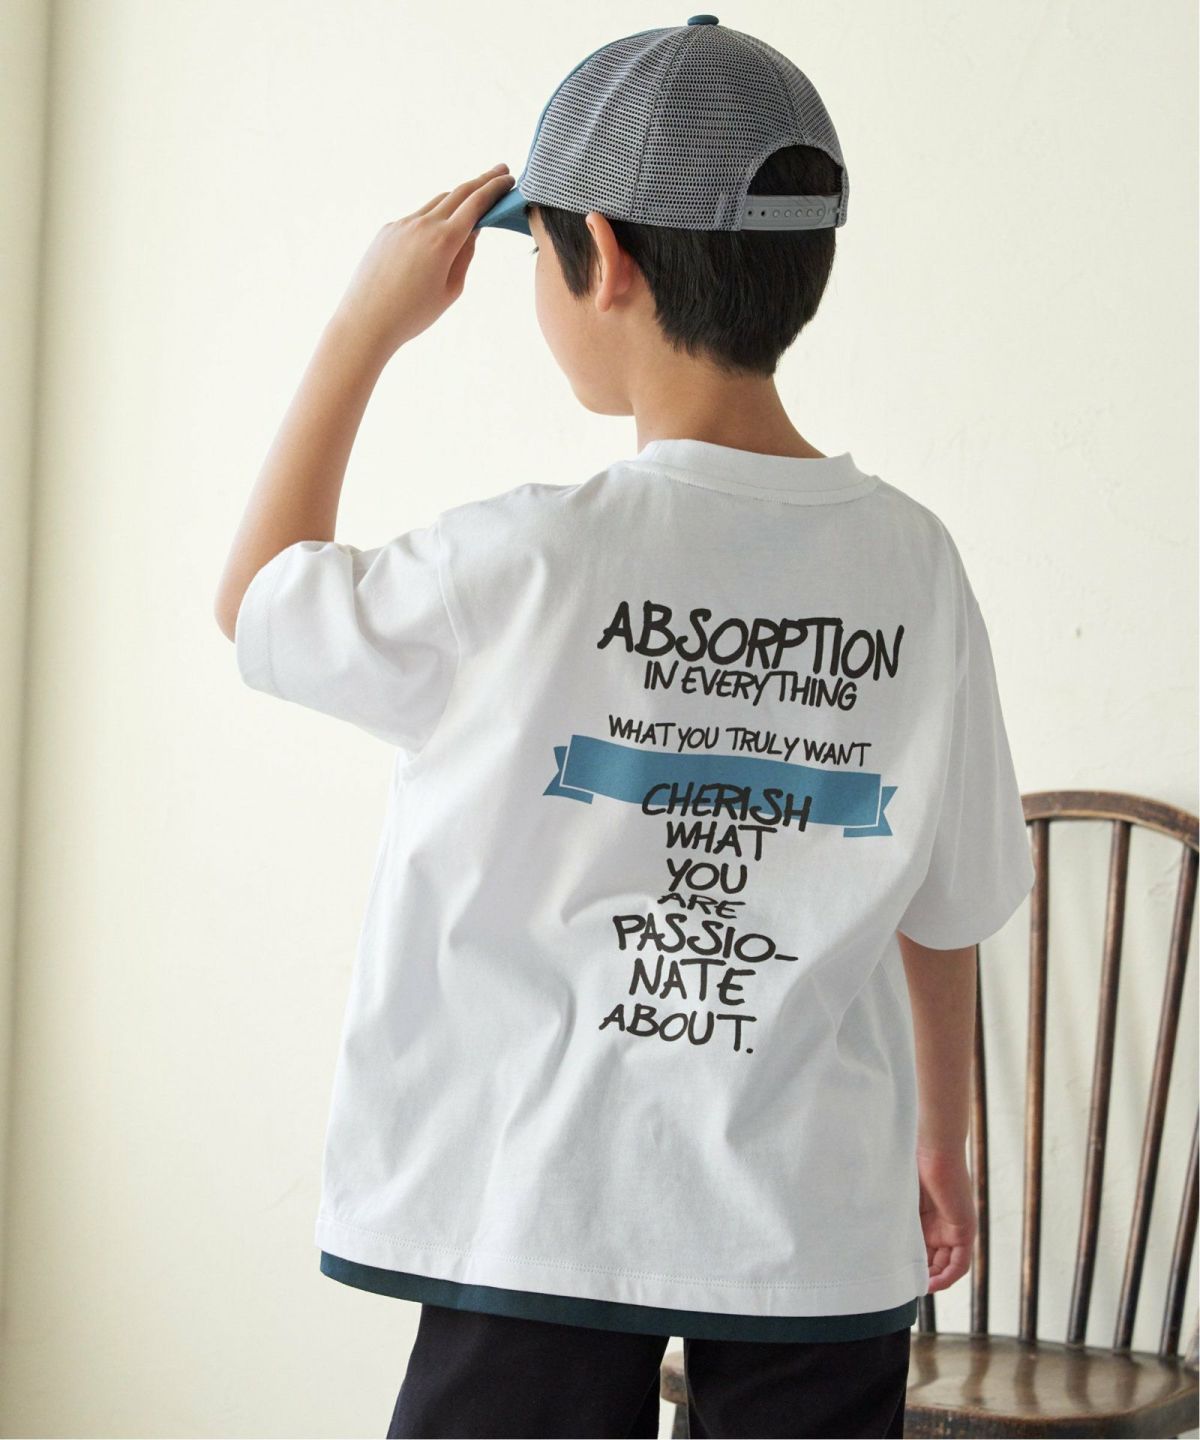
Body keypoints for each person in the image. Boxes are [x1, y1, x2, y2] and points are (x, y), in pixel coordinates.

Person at [214, 16, 1035, 1439]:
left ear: (602, 255)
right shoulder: (916, 564)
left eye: (537, 252)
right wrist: (942, 1135)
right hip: (811, 1220)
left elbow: (258, 601)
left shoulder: (522, 565)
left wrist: (362, 327)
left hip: (535, 1210)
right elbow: (948, 898)